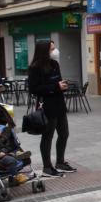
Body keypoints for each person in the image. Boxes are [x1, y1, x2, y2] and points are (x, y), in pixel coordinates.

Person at [28, 41, 76, 177]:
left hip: (59, 104)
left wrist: (62, 86)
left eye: (55, 48)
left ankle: (60, 162)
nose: (55, 51)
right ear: (44, 51)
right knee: (47, 136)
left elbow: (57, 82)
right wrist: (55, 87)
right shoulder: (35, 68)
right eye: (52, 49)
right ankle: (47, 167)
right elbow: (34, 89)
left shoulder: (55, 64)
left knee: (64, 133)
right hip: (47, 107)